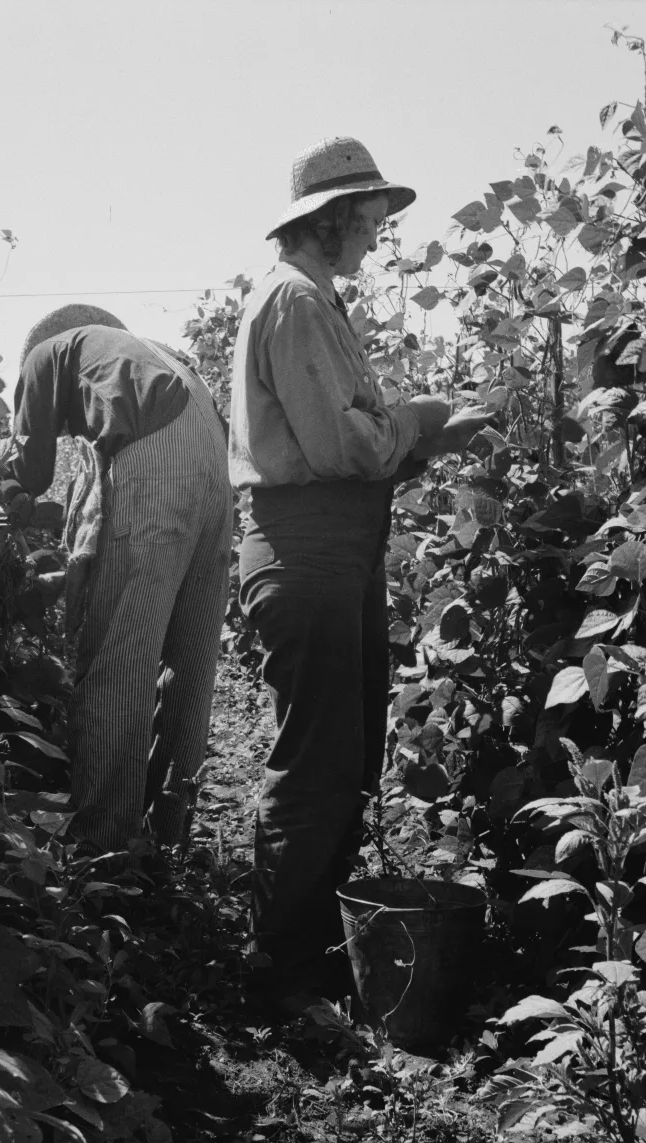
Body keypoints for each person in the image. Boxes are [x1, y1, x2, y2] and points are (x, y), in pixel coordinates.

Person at [229, 137, 496, 1011]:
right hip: (306, 552)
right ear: (332, 216)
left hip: (330, 551)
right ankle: (278, 966)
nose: (380, 236)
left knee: (340, 754)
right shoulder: (296, 302)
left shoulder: (312, 301)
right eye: (373, 219)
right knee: (315, 760)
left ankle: (303, 950)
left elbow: (353, 455)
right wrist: (418, 421)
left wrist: (422, 438)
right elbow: (342, 448)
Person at [6, 304, 232, 853]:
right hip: (216, 473)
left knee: (119, 662)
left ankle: (105, 853)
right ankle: (168, 836)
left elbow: (30, 471)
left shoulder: (46, 353)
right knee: (191, 660)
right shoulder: (157, 359)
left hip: (159, 469)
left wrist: (11, 494)